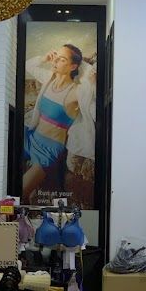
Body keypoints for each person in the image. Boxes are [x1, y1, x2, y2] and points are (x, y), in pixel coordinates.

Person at [23, 44, 87, 203]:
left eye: (62, 59)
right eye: (56, 56)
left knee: (22, 189)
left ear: (73, 66)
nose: (56, 61)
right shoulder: (48, 78)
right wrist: (44, 58)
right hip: (31, 137)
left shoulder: (76, 91)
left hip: (48, 150)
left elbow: (91, 87)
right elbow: (27, 65)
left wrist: (86, 66)